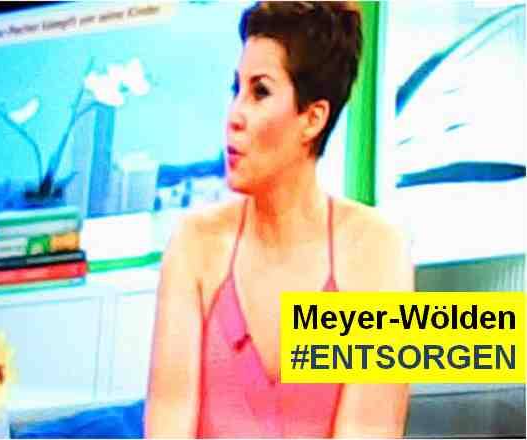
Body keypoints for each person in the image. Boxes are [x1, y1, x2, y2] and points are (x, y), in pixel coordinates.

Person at [145, 2, 413, 437]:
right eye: (236, 90)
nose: (234, 116)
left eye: (260, 93)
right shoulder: (194, 245)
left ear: (313, 118)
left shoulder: (377, 251)